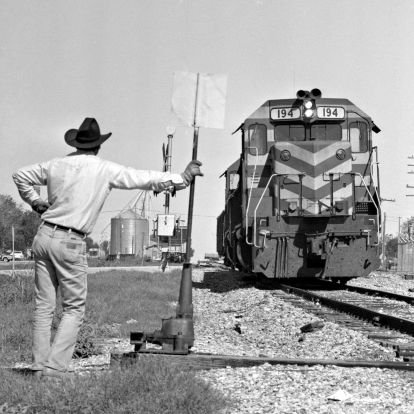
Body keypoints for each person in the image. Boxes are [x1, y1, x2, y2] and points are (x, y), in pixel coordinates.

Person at [12, 117, 203, 379]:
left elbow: (19, 175)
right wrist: (181, 179)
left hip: (44, 236)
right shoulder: (104, 169)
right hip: (71, 240)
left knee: (44, 306)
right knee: (73, 308)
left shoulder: (55, 165)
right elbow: (142, 178)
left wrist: (35, 202)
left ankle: (38, 366)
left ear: (77, 144)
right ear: (98, 146)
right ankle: (55, 370)